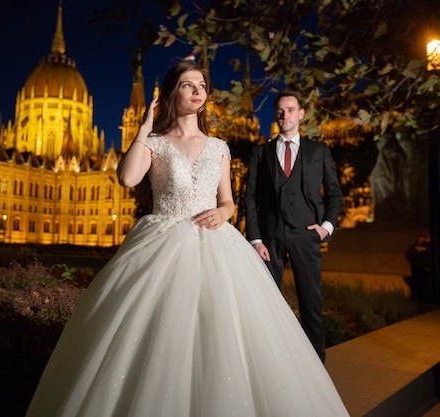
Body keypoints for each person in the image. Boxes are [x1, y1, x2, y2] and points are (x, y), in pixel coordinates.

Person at [24, 60, 349, 416]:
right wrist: (144, 126)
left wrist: (224, 213)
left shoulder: (218, 147)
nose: (198, 91)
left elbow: (228, 201)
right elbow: (128, 178)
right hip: (162, 245)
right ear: (170, 94)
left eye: (202, 86)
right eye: (188, 85)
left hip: (217, 246)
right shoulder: (155, 143)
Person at [244, 91, 344, 363]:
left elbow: (335, 194)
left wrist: (326, 227)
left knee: (311, 305)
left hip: (307, 235)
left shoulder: (319, 151)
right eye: (280, 110)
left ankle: (316, 367)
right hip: (269, 240)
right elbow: (250, 198)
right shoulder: (260, 153)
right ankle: (270, 363)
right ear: (276, 115)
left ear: (300, 114)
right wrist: (255, 239)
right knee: (266, 305)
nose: (284, 114)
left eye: (290, 109)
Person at [404, 230, 431, 302]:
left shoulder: (413, 247)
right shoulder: (428, 247)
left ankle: (417, 299)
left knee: (417, 286)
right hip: (424, 271)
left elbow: (408, 255)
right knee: (423, 286)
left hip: (417, 270)